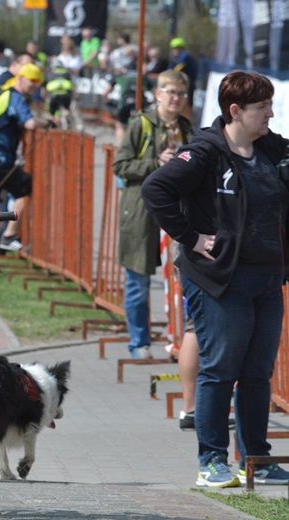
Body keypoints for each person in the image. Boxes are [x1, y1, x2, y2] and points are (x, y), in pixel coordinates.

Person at [142, 70, 289, 488]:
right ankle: (211, 461)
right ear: (236, 111)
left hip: (267, 278)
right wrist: (190, 237)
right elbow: (156, 191)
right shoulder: (206, 152)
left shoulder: (273, 149)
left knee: (259, 372)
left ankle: (255, 459)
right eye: (263, 108)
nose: (271, 115)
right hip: (219, 280)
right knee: (221, 370)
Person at [112, 70, 193, 360]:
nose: (176, 98)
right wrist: (155, 162)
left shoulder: (187, 127)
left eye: (181, 93)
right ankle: (139, 343)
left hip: (178, 212)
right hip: (141, 212)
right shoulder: (142, 124)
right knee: (138, 281)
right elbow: (120, 165)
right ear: (158, 94)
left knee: (182, 279)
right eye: (170, 92)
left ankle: (181, 341)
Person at [0, 63, 51, 274]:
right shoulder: (14, 97)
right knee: (22, 189)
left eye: (37, 83)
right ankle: (8, 237)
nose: (34, 86)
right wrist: (49, 122)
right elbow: (30, 123)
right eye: (31, 82)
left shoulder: (4, 93)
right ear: (20, 78)